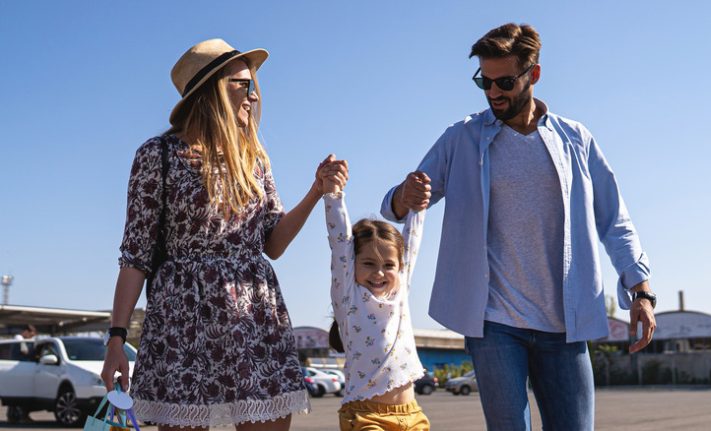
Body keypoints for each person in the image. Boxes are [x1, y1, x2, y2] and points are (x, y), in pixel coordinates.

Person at [380, 23, 656, 430]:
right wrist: (406, 196)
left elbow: (614, 220)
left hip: (565, 324)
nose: (493, 93)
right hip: (495, 323)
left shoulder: (575, 140)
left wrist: (642, 290)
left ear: (534, 75)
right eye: (484, 82)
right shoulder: (461, 138)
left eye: (504, 82)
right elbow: (398, 203)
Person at [100, 38, 348, 431]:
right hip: (182, 321)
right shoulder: (158, 155)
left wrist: (316, 191)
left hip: (254, 317)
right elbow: (135, 256)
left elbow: (274, 242)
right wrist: (116, 337)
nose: (254, 96)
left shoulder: (255, 160)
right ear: (211, 89)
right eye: (243, 84)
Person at [322, 166, 430, 430]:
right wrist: (333, 194)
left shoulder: (400, 290)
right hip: (366, 415)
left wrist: (418, 208)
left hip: (411, 414)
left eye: (388, 265)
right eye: (369, 263)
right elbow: (340, 244)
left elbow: (412, 243)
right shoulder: (349, 296)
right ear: (353, 264)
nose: (379, 273)